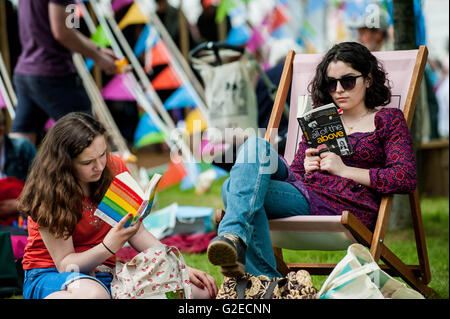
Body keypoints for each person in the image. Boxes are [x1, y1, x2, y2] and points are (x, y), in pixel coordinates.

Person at [207, 42, 417, 279]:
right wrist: (306, 167)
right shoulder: (323, 119)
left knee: (230, 188)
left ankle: (259, 271)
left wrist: (345, 170)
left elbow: (405, 177)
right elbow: (296, 173)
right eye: (331, 83)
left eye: (348, 81)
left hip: (346, 204)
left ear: (368, 79)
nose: (339, 90)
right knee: (256, 145)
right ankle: (236, 240)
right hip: (305, 192)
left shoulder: (388, 120)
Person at [18, 112, 217, 299]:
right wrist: (108, 246)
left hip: (105, 273)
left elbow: (136, 232)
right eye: (88, 162)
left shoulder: (113, 167)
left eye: (103, 154)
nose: (100, 166)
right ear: (65, 163)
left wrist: (178, 267)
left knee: (199, 292)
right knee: (94, 295)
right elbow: (66, 264)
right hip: (51, 275)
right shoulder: (49, 192)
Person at [10, 0, 118, 145]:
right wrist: (97, 56)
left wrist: (97, 50)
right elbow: (63, 31)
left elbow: (65, 29)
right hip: (54, 73)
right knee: (89, 139)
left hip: (27, 71)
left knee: (21, 141)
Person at [0, 109, 36, 236]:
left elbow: (47, 188)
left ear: (1, 132)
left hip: (29, 218)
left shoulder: (22, 149)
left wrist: (20, 204)